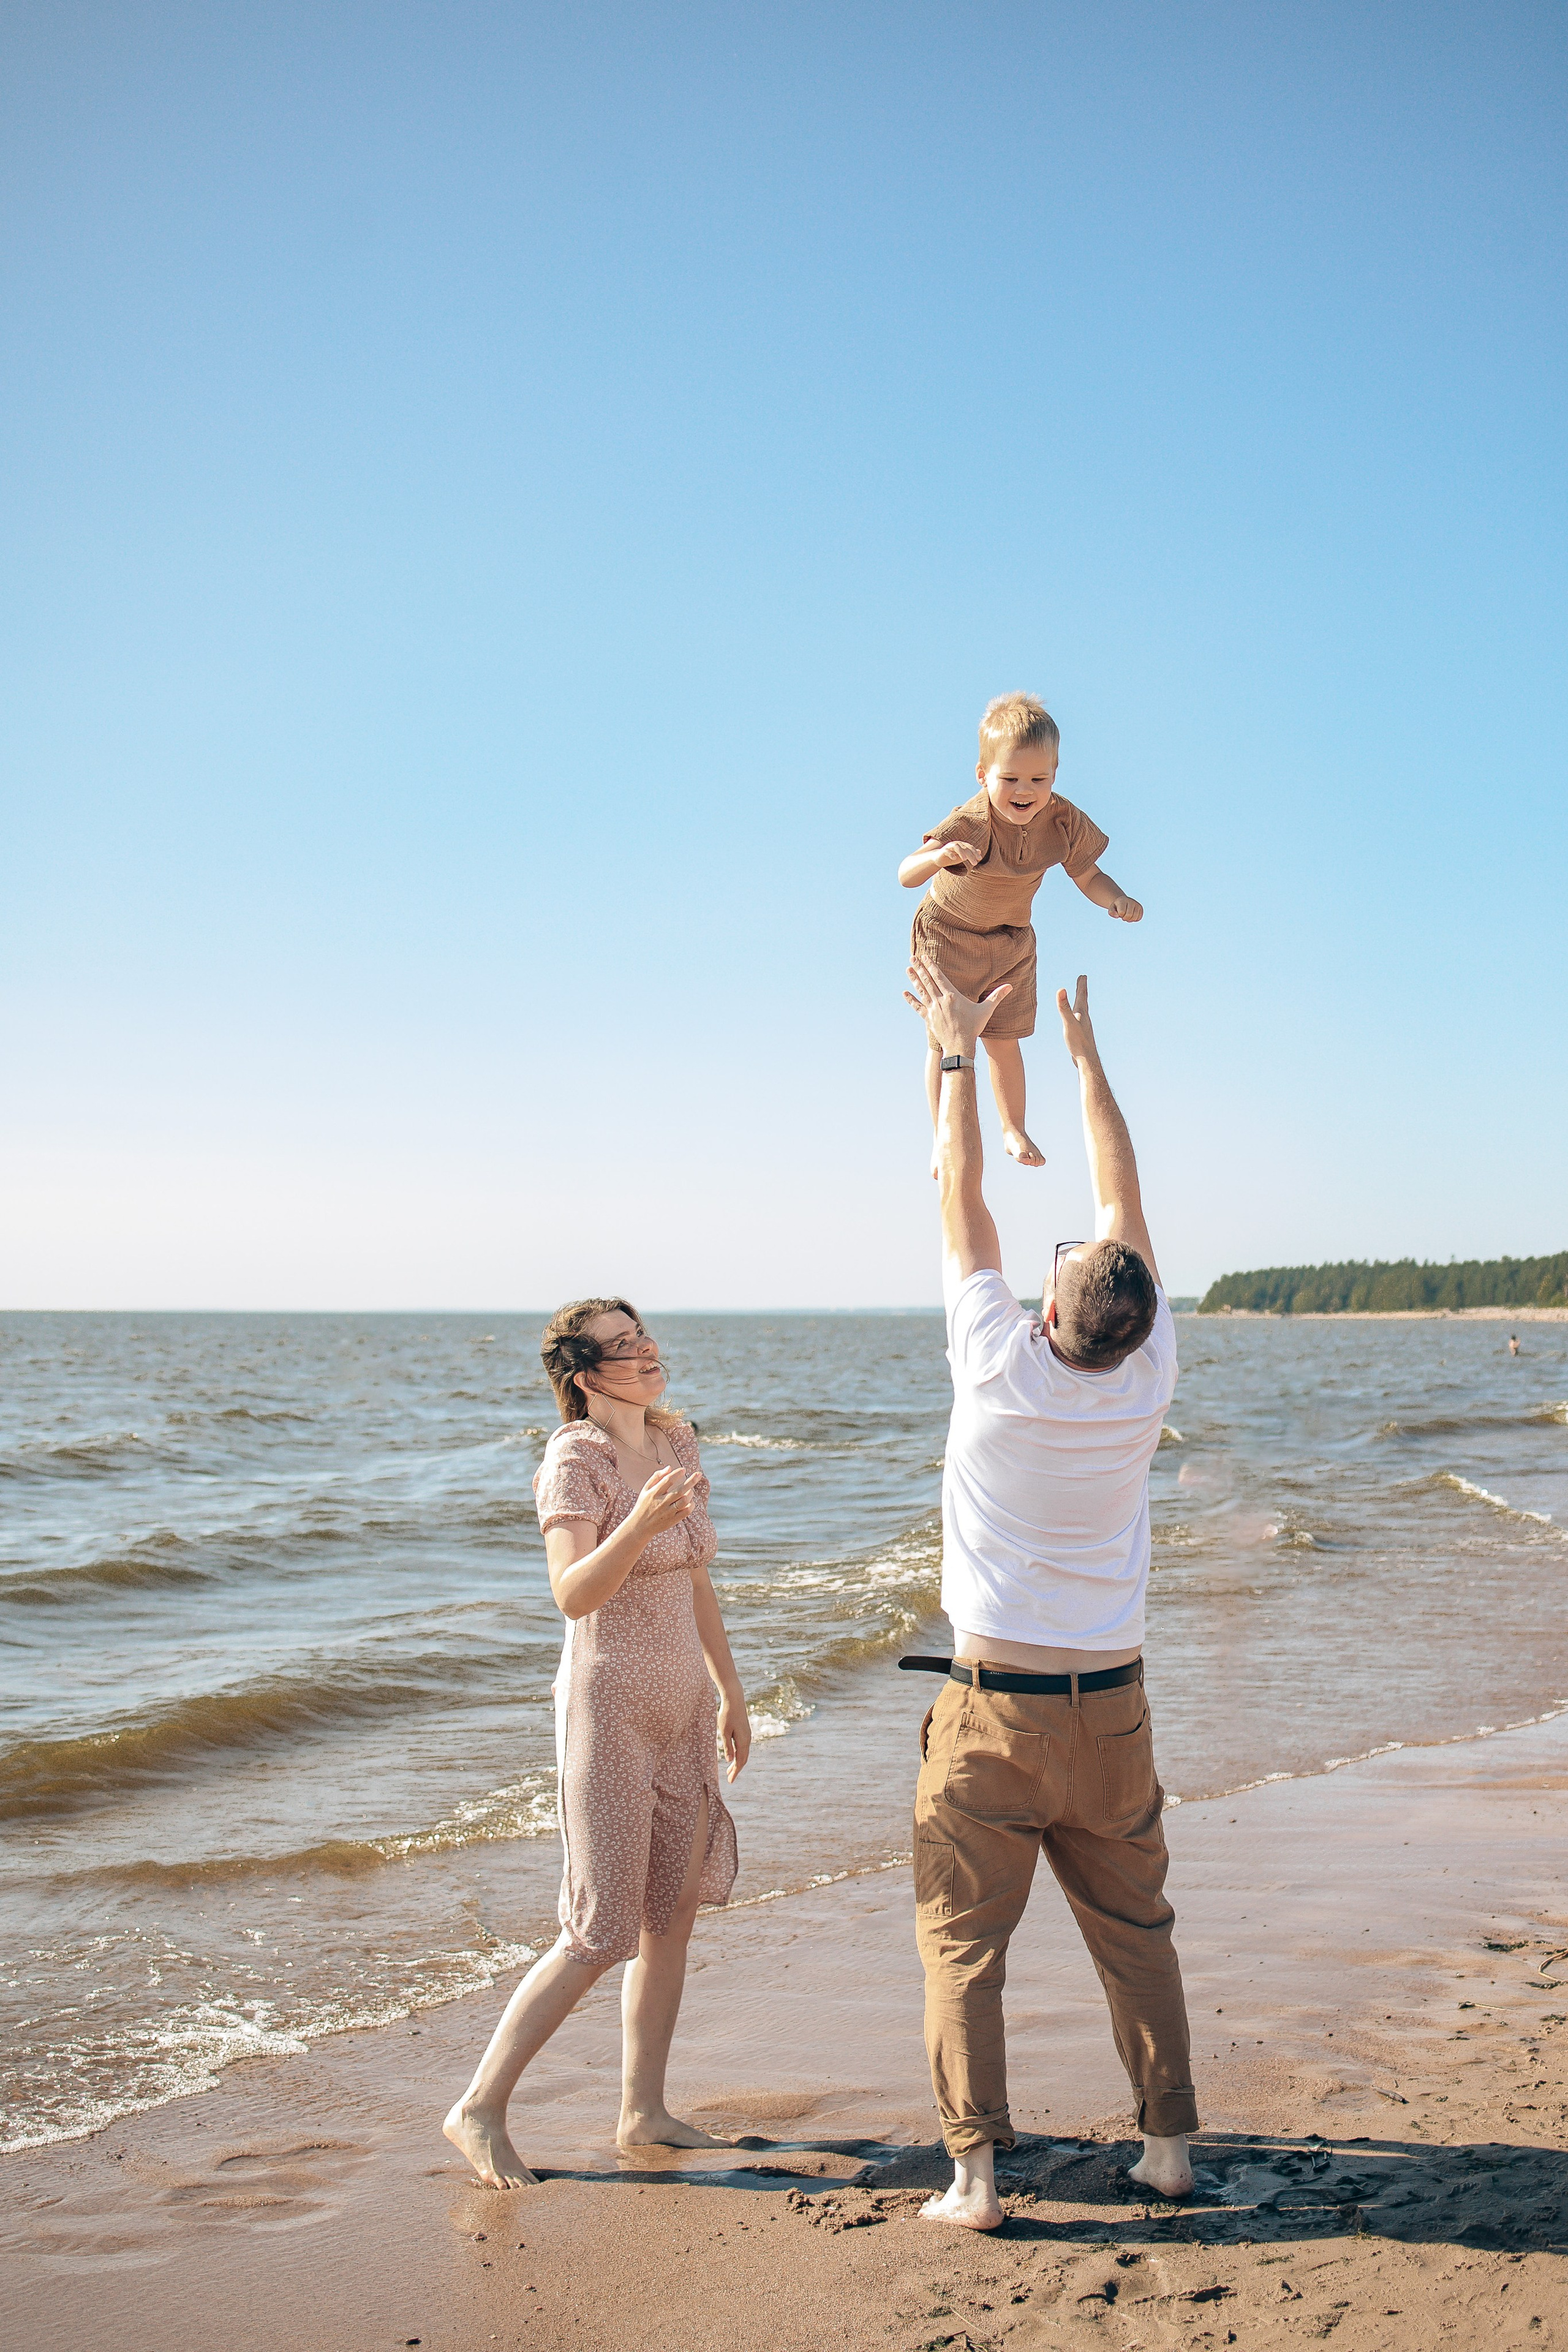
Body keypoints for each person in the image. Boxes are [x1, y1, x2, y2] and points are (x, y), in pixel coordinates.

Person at [899, 954, 1197, 2231]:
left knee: (962, 1947)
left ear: (1051, 1304)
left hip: (991, 1711)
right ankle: (1169, 2151)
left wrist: (958, 1046)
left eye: (1065, 1255)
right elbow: (1119, 1194)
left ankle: (973, 2176)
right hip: (1111, 1712)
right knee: (1136, 1934)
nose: (1073, 1241)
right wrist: (1078, 1058)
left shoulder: (993, 1364)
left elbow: (959, 1187)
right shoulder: (1145, 1374)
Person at [443, 1297, 751, 2188]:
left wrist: (730, 1690)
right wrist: (639, 1525)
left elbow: (694, 1577)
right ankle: (480, 2108)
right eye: (623, 1346)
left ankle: (643, 2109)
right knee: (598, 1930)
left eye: (643, 1333)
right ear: (584, 1376)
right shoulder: (574, 1461)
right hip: (608, 1710)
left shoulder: (676, 1440)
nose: (647, 1350)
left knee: (671, 1919)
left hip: (684, 1709)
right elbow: (572, 1593)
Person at [899, 693, 1143, 1170]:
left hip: (1010, 940)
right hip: (947, 934)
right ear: (982, 775)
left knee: (1004, 1040)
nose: (1024, 790)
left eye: (1039, 779)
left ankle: (1013, 1127)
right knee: (946, 1040)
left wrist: (1115, 898)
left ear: (1055, 774)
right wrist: (938, 858)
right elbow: (906, 873)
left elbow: (1088, 875)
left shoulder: (1062, 820)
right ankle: (942, 1139)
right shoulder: (972, 822)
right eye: (1009, 778)